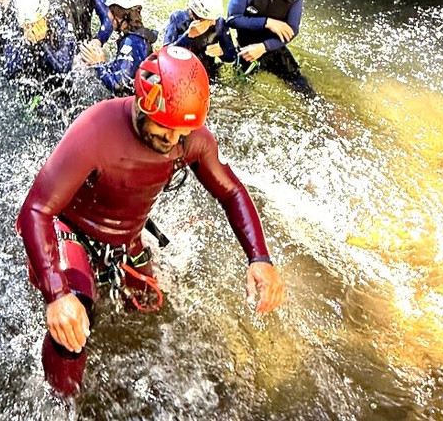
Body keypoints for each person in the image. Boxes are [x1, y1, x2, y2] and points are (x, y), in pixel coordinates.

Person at [17, 46, 285, 396]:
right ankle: (59, 403)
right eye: (165, 128)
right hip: (70, 232)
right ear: (144, 103)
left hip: (126, 242)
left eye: (181, 133)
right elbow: (35, 210)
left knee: (149, 313)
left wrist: (259, 257)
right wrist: (56, 294)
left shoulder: (191, 139)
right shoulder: (95, 129)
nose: (172, 141)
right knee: (75, 319)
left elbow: (231, 192)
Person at [226, 0, 314, 96]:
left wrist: (264, 47)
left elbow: (292, 30)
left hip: (273, 47)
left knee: (302, 86)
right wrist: (267, 22)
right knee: (238, 92)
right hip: (247, 50)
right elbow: (232, 20)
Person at [2, 0, 76, 108]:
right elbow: (8, 71)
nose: (31, 27)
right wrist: (27, 44)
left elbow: (64, 67)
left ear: (45, 16)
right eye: (28, 24)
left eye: (35, 23)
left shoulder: (60, 25)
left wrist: (43, 43)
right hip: (31, 89)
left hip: (59, 88)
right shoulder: (15, 31)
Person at [79, 0, 158, 96]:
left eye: (109, 11)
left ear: (119, 13)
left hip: (132, 102)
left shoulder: (130, 42)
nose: (108, 16)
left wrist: (99, 64)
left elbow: (119, 86)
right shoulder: (139, 37)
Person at [160, 0, 237, 77]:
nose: (213, 22)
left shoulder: (220, 23)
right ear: (195, 17)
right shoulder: (178, 18)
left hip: (206, 71)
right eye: (209, 20)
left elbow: (232, 56)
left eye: (215, 19)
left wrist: (222, 52)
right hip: (180, 70)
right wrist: (188, 36)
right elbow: (165, 55)